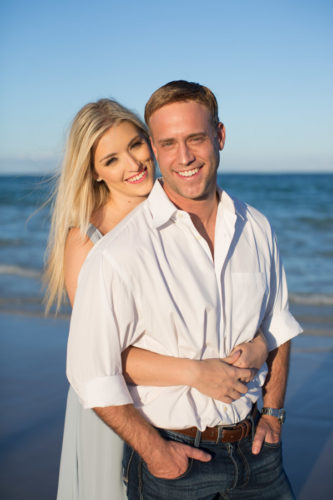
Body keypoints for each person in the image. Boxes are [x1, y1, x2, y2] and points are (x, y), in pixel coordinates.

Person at [66, 81, 302, 499]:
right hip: (172, 455)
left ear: (220, 136)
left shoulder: (257, 227)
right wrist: (157, 451)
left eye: (195, 138)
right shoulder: (111, 251)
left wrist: (274, 412)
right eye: (169, 143)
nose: (185, 156)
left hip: (259, 450)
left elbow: (278, 321)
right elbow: (95, 367)